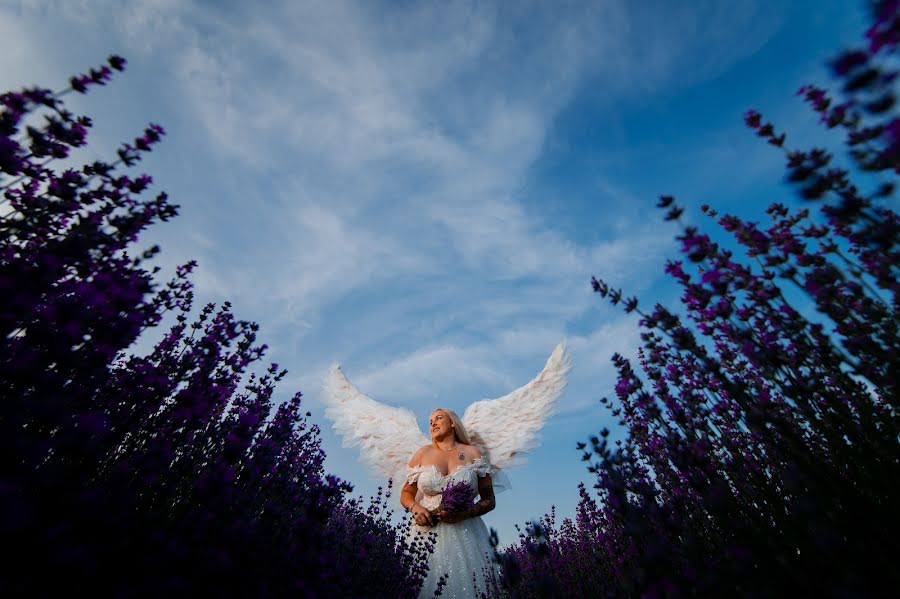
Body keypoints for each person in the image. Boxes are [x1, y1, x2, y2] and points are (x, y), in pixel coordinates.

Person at [400, 409, 498, 599]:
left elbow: (489, 499)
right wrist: (416, 508)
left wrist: (466, 513)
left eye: (438, 418)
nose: (433, 423)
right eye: (430, 421)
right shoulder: (422, 453)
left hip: (467, 532)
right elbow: (406, 492)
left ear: (452, 423)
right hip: (425, 534)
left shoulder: (473, 454)